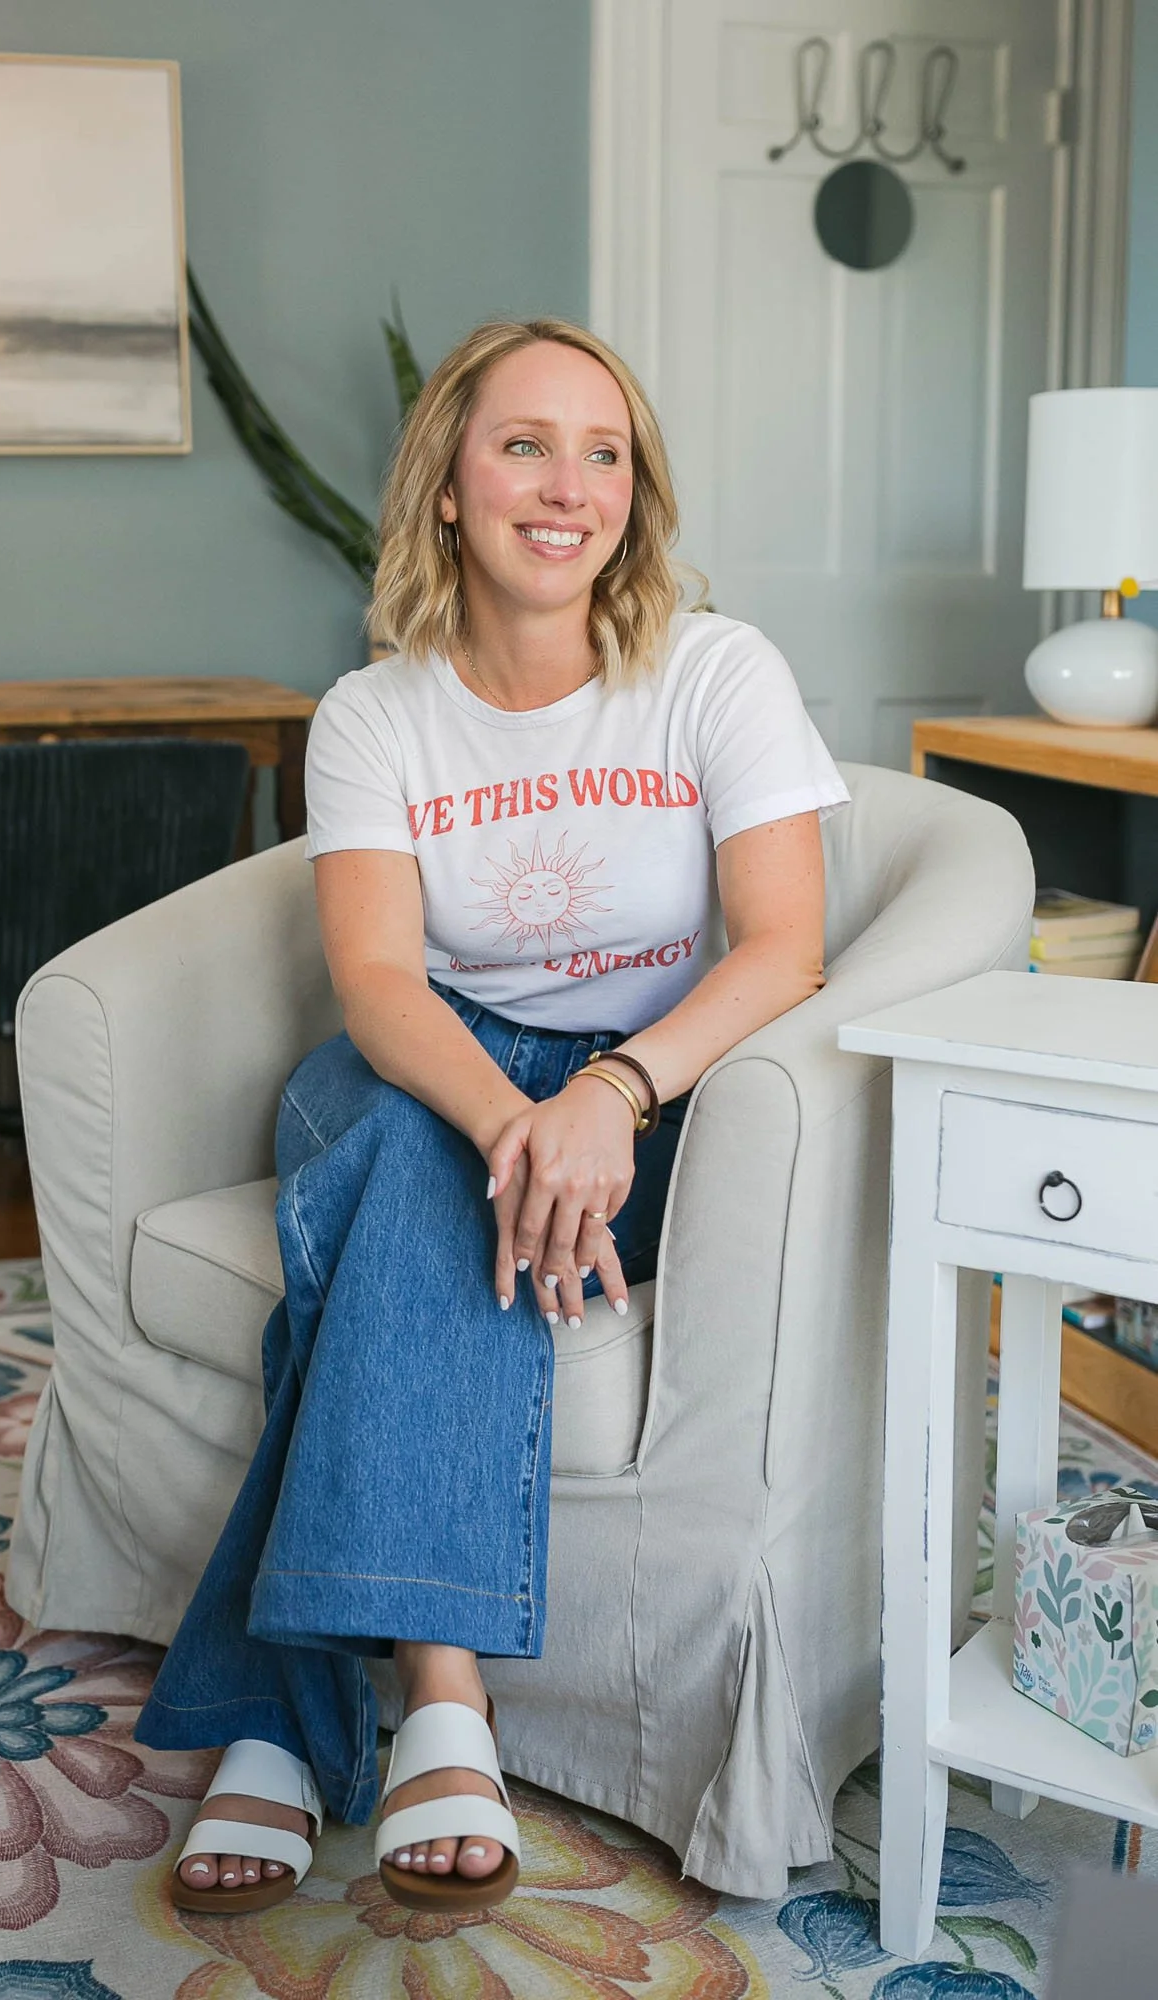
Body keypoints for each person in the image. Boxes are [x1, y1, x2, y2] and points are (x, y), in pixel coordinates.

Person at [132, 315, 851, 1917]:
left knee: (384, 1220)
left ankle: (281, 1719)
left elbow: (784, 948)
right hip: (424, 1065)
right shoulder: (373, 711)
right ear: (448, 487)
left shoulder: (715, 671)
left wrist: (610, 1090)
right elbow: (379, 986)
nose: (567, 486)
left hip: (647, 1083)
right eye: (524, 446)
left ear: (634, 493)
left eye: (604, 453)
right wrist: (514, 1120)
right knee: (407, 1142)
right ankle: (445, 1697)